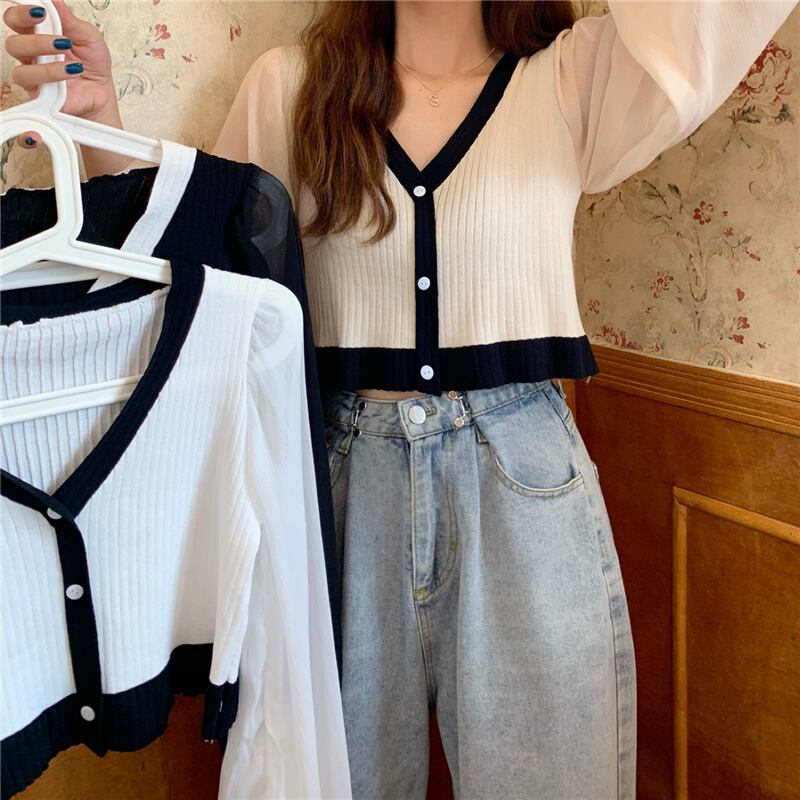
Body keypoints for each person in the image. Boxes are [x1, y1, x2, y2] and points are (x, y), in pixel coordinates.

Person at [4, 1, 795, 798]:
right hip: (339, 492)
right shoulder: (291, 88)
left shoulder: (574, 74)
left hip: (525, 490)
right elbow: (203, 282)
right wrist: (99, 123)